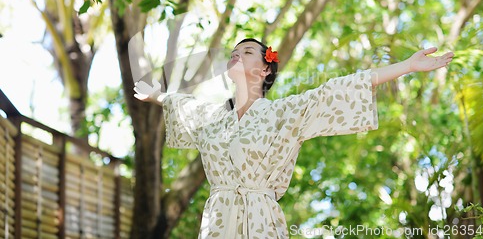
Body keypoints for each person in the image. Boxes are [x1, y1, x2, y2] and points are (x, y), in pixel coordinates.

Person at [133, 38, 454, 239]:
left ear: (264, 70)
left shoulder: (286, 112)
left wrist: (406, 66)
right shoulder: (211, 117)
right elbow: (181, 104)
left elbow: (337, 90)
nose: (236, 56)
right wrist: (156, 96)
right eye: (232, 53)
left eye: (246, 52)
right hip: (218, 219)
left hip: (261, 219)